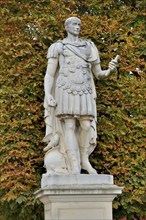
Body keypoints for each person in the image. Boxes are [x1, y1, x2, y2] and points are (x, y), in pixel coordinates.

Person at [43, 17, 118, 174]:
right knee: (69, 125)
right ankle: (75, 164)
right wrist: (47, 93)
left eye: (79, 24)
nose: (77, 27)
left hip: (84, 90)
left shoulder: (89, 47)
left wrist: (110, 70)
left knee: (85, 125)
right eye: (74, 24)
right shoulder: (58, 47)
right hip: (65, 88)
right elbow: (49, 74)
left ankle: (84, 159)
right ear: (66, 27)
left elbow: (99, 74)